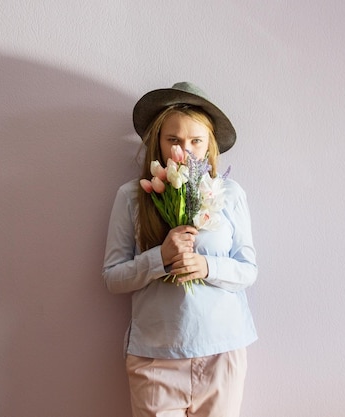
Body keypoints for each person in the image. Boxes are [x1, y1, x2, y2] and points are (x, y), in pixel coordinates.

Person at [102, 82, 258, 417]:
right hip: (155, 357)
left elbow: (248, 269)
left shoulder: (229, 193)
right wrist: (160, 258)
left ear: (209, 145)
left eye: (195, 141)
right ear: (158, 141)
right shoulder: (132, 196)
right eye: (173, 139)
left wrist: (206, 267)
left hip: (222, 352)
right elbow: (113, 278)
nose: (184, 150)